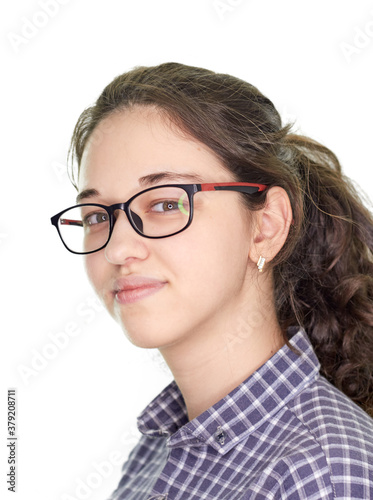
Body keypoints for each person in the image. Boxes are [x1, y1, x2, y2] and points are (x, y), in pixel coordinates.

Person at [51, 62, 373, 499]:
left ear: (266, 227)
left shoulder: (321, 475)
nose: (117, 249)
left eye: (165, 204)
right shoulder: (152, 455)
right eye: (96, 216)